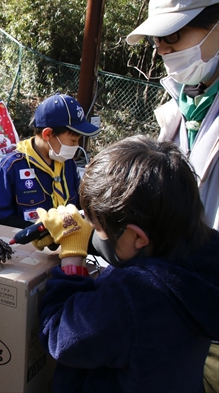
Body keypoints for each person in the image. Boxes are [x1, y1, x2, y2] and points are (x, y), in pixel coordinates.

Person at [36, 135, 219, 392]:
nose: (99, 234)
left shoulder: (133, 295)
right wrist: (93, 235)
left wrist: (73, 254)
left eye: (100, 229)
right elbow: (133, 254)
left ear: (138, 237)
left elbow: (59, 335)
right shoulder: (201, 260)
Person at [127, 0, 219, 390]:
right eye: (156, 40)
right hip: (182, 304)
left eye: (173, 34)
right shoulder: (181, 110)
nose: (162, 48)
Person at [0, 93, 99, 248]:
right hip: (26, 250)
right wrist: (42, 229)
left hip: (69, 247)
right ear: (48, 134)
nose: (76, 145)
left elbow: (79, 206)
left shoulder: (68, 164)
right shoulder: (13, 166)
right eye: (73, 140)